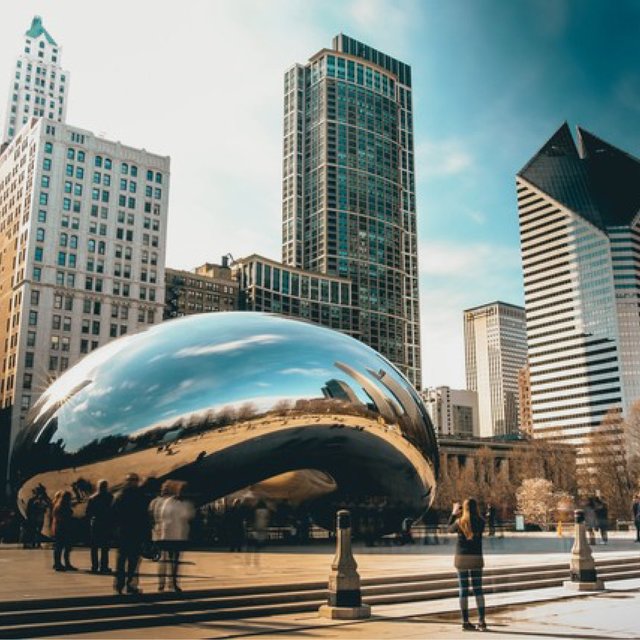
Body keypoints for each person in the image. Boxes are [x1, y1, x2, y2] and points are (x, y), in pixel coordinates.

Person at [448, 498, 487, 632]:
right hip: (475, 558)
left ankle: (465, 621)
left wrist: (453, 513)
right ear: (476, 508)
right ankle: (482, 621)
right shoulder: (481, 522)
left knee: (463, 590)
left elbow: (448, 529)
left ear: (463, 509)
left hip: (461, 559)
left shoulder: (459, 522)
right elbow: (476, 522)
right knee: (478, 590)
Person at [149, 480, 194, 592]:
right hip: (168, 535)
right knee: (168, 560)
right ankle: (165, 583)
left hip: (174, 535)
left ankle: (169, 583)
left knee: (171, 560)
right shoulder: (168, 502)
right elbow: (162, 517)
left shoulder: (177, 503)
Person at [112, 473, 149, 594]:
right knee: (133, 561)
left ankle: (119, 584)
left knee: (121, 560)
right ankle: (130, 585)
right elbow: (145, 517)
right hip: (135, 532)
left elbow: (113, 515)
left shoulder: (118, 496)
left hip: (122, 532)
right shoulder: (141, 496)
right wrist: (146, 534)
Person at [86, 479, 114, 573]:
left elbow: (88, 512)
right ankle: (104, 566)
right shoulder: (110, 497)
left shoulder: (92, 498)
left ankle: (94, 566)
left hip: (95, 522)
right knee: (105, 547)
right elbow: (113, 511)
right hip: (106, 523)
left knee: (94, 546)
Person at [52, 491, 77, 572]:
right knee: (64, 547)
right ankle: (62, 564)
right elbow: (64, 518)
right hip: (63, 528)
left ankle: (58, 563)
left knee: (59, 547)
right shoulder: (63, 507)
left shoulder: (58, 506)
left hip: (59, 528)